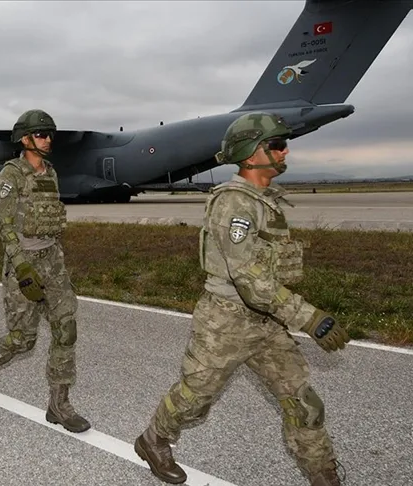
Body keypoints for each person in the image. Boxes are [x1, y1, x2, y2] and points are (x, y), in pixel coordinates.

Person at [133, 112, 350, 486]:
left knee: (304, 404)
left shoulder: (265, 200)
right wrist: (309, 318)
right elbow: (249, 278)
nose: (285, 152)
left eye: (285, 144)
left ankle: (325, 477)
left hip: (267, 323)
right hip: (226, 321)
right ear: (251, 155)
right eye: (277, 145)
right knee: (194, 398)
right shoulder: (234, 205)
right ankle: (154, 440)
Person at [0, 109, 90, 433]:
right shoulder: (11, 174)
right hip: (23, 262)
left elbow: (51, 222)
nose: (48, 139)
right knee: (23, 340)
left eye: (50, 134)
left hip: (52, 261)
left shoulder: (51, 173)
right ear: (25, 139)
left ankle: (59, 405)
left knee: (66, 327)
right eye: (41, 134)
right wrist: (22, 266)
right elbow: (3, 225)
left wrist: (57, 263)